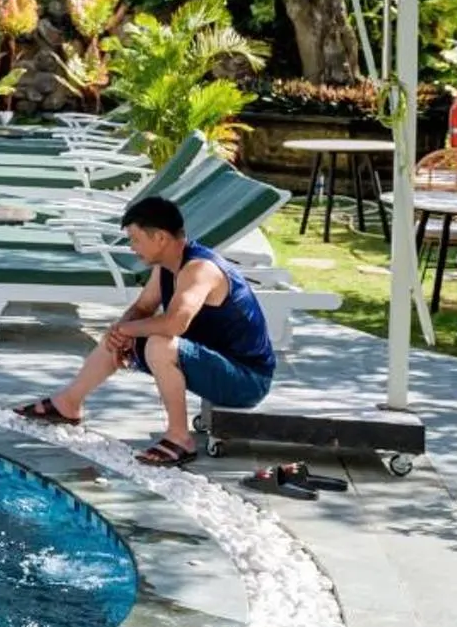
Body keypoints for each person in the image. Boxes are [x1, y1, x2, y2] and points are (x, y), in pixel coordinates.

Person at [16, 194, 278, 467]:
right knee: (123, 331)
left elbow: (176, 323)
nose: (132, 247)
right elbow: (142, 308)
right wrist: (122, 330)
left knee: (158, 343)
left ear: (161, 238)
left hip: (247, 380)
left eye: (136, 239)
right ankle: (68, 404)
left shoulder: (199, 270)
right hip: (214, 363)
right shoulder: (166, 267)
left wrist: (128, 329)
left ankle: (180, 439)